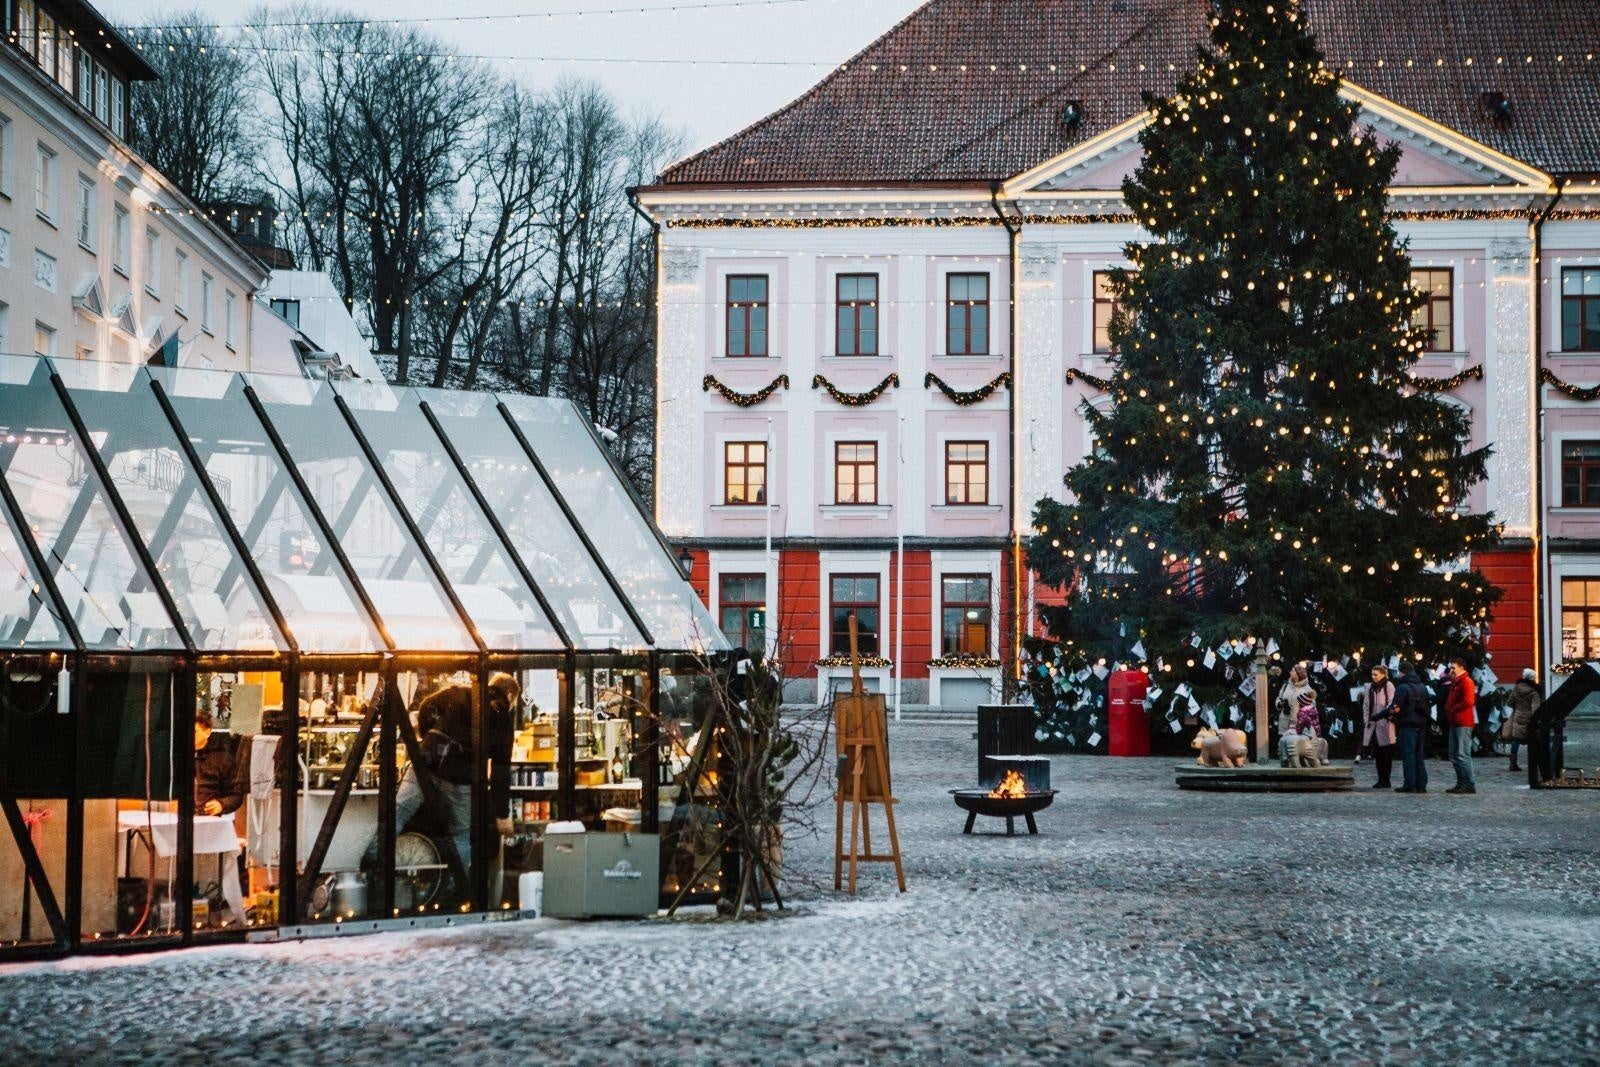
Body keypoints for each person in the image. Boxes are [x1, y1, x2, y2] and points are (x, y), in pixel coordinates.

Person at [381, 673, 521, 881]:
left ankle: (373, 868)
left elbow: (427, 707)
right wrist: (502, 814)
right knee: (461, 835)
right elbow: (501, 771)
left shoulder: (459, 692)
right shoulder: (503, 720)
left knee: (396, 814)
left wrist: (431, 735)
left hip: (425, 765)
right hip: (461, 777)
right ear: (510, 695)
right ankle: (455, 889)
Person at [194, 709, 243, 817]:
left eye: (194, 732)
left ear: (207, 732)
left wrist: (221, 804)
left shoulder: (222, 760)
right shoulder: (176, 757)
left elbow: (236, 795)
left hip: (207, 819)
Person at [1391, 664, 1432, 793]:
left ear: (1402, 672)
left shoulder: (1402, 687)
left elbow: (1396, 707)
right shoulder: (1422, 686)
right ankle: (1421, 784)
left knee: (1408, 754)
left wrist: (1387, 714)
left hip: (1407, 724)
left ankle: (1409, 784)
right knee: (1418, 754)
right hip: (1421, 724)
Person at [1443, 657, 1478, 795]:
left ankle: (1469, 784)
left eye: (1453, 667)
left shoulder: (1466, 681)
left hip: (1463, 722)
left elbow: (1469, 701)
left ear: (1461, 668)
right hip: (1455, 721)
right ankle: (1461, 783)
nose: (1451, 670)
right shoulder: (1456, 681)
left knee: (1462, 754)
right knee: (1454, 754)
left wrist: (1453, 709)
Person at [1360, 665, 1397, 789]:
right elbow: (1365, 705)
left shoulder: (1388, 686)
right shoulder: (1369, 687)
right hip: (1372, 725)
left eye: (1376, 674)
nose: (1373, 677)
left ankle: (1386, 780)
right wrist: (1366, 720)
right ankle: (1380, 779)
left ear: (1383, 674)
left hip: (1385, 724)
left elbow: (1391, 703)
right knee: (1377, 753)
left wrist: (1384, 716)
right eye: (1372, 674)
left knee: (1386, 753)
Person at [1506, 668, 1541, 773]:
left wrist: (1518, 707)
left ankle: (1513, 764)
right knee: (1533, 740)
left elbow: (1509, 702)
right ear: (1532, 679)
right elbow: (1536, 708)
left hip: (1518, 716)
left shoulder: (1517, 688)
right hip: (1529, 719)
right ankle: (1535, 764)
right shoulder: (1534, 692)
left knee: (1515, 740)